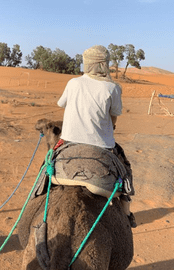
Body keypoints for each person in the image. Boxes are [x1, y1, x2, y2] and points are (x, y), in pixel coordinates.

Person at [56, 44, 137, 228]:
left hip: (68, 142)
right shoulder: (112, 88)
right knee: (125, 170)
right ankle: (126, 212)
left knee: (47, 166)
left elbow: (61, 104)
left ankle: (38, 193)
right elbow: (114, 115)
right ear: (103, 65)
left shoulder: (73, 83)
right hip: (102, 146)